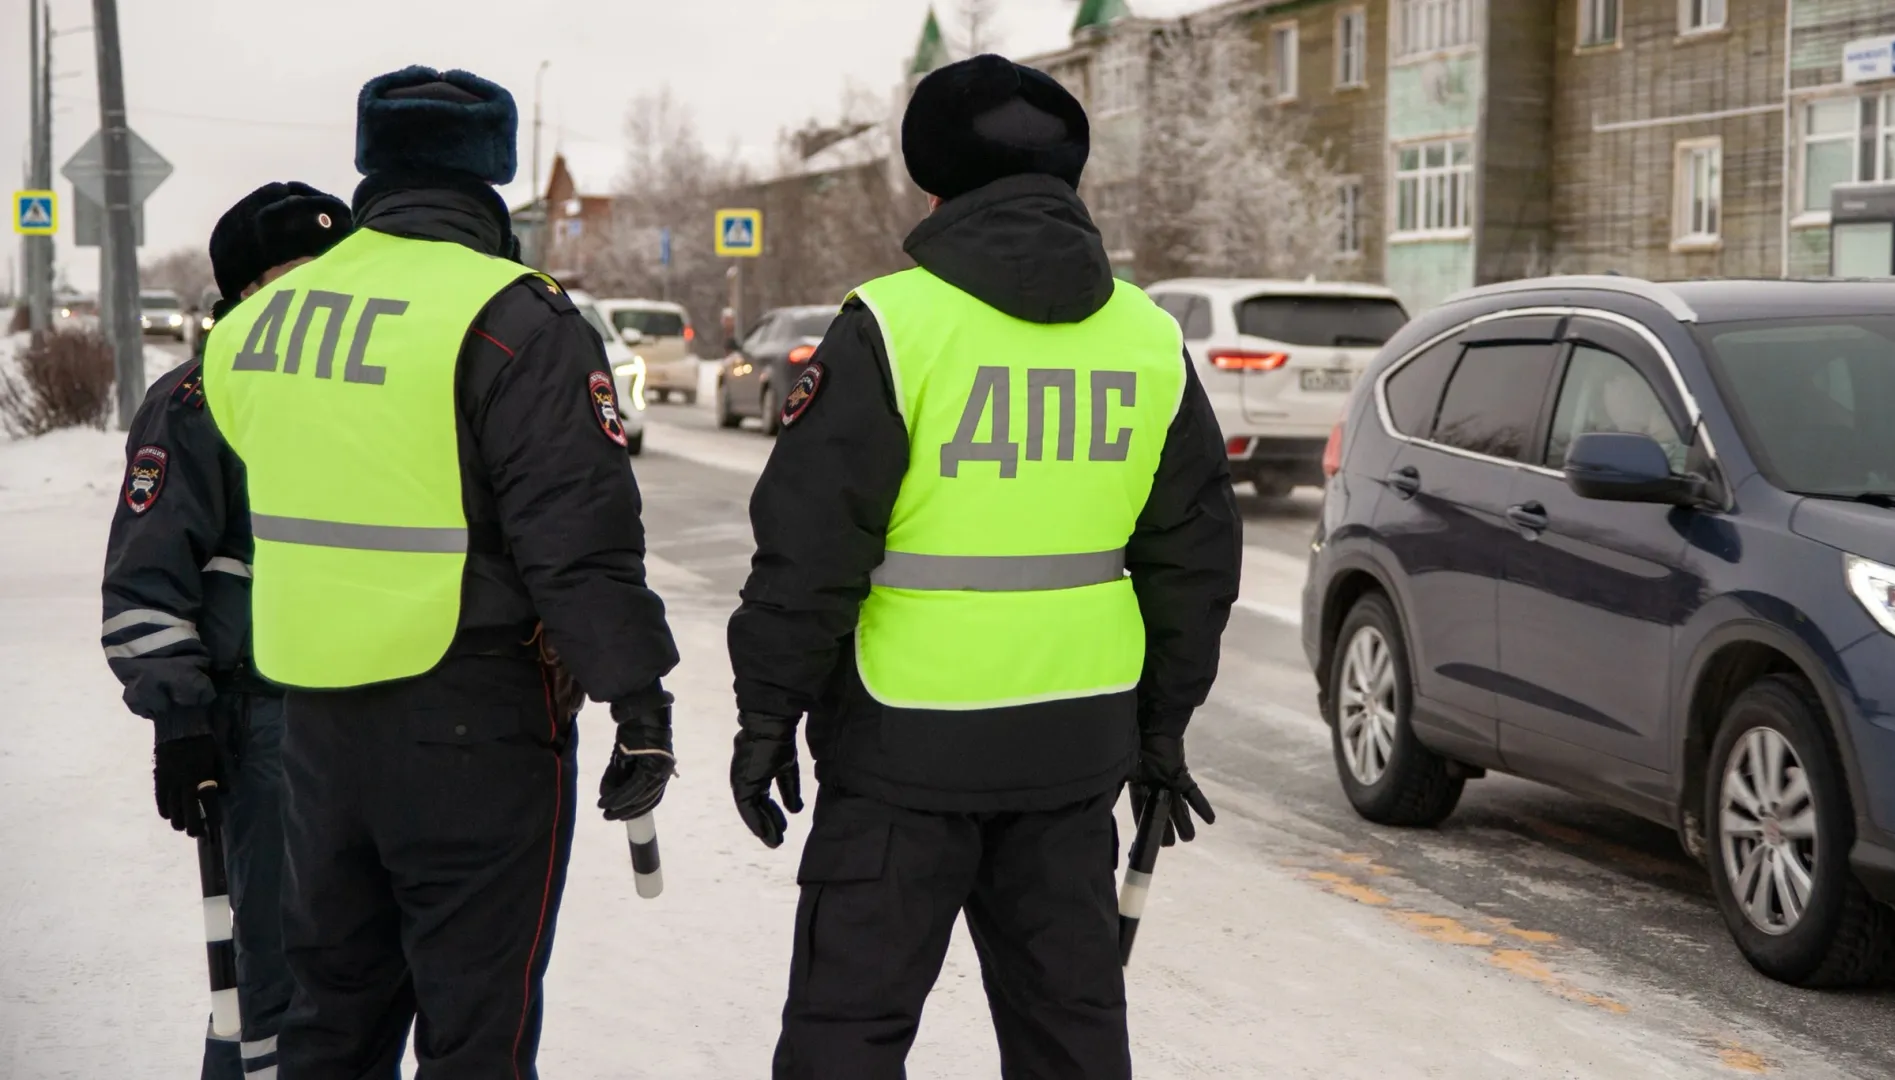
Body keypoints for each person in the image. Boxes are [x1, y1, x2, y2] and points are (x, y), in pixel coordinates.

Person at [727, 55, 1242, 1079]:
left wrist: (766, 715)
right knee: (1072, 1036)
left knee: (848, 1035)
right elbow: (1194, 557)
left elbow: (809, 554)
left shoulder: (893, 325)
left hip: (900, 748)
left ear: (933, 186)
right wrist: (1162, 730)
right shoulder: (1146, 337)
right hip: (1074, 745)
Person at [200, 66, 680, 1078]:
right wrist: (639, 705)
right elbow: (578, 539)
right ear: (491, 173)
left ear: (375, 162)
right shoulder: (512, 319)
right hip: (475, 721)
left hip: (314, 726)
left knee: (331, 1020)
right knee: (476, 1031)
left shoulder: (256, 326)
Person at [102, 180, 353, 1080]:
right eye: (295, 277)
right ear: (244, 292)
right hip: (263, 726)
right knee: (275, 973)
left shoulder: (373, 392)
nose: (320, 296)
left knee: (359, 973)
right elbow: (145, 580)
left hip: (375, 708)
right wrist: (183, 723)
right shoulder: (200, 402)